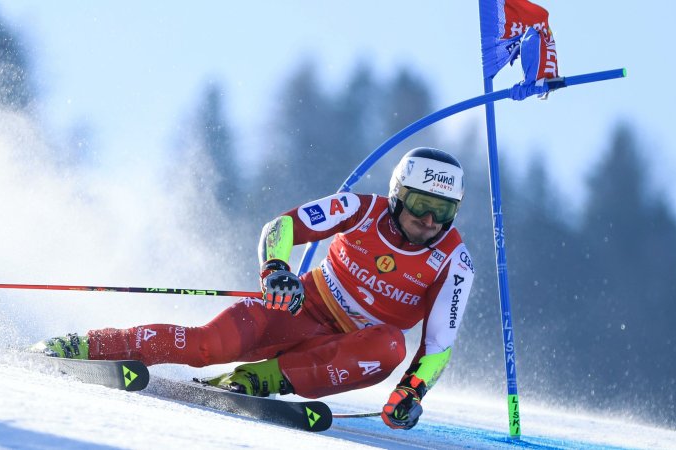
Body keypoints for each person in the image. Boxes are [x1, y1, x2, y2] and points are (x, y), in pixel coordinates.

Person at [33, 147, 475, 430]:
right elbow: (282, 226)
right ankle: (82, 345)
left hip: (348, 349)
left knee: (391, 346)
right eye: (421, 205)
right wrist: (277, 269)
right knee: (206, 344)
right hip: (299, 309)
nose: (430, 221)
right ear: (398, 195)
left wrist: (411, 392)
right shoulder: (358, 209)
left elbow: (438, 345)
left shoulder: (454, 262)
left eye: (443, 210)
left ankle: (252, 382)